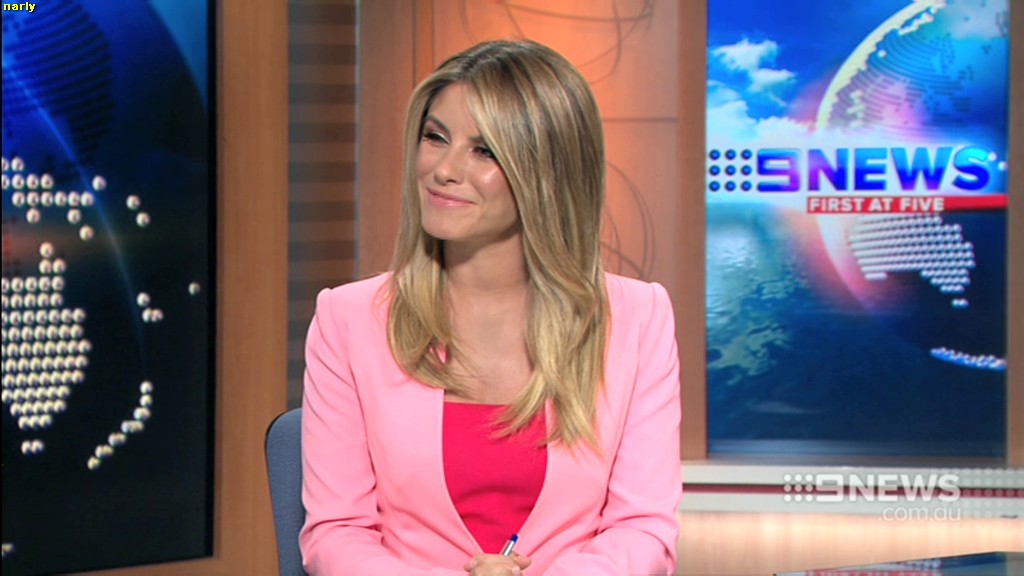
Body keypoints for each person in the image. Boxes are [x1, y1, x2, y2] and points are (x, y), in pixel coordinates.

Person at [300, 39, 681, 575]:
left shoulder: (637, 318)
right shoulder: (348, 318)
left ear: (547, 171)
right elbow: (337, 534)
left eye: (484, 151)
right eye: (435, 137)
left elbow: (643, 530)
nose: (443, 169)